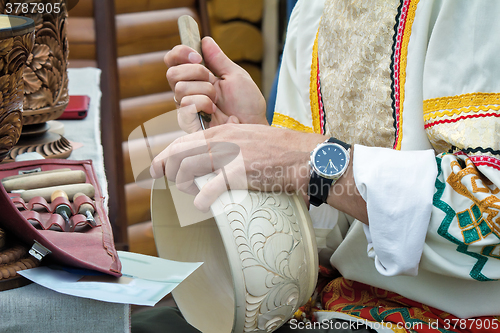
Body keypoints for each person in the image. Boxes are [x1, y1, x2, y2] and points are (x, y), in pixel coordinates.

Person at [135, 0, 500, 332]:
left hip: (455, 318)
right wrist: (253, 138)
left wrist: (304, 159)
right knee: (145, 325)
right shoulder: (314, 9)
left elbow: (489, 216)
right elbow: (318, 232)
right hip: (331, 303)